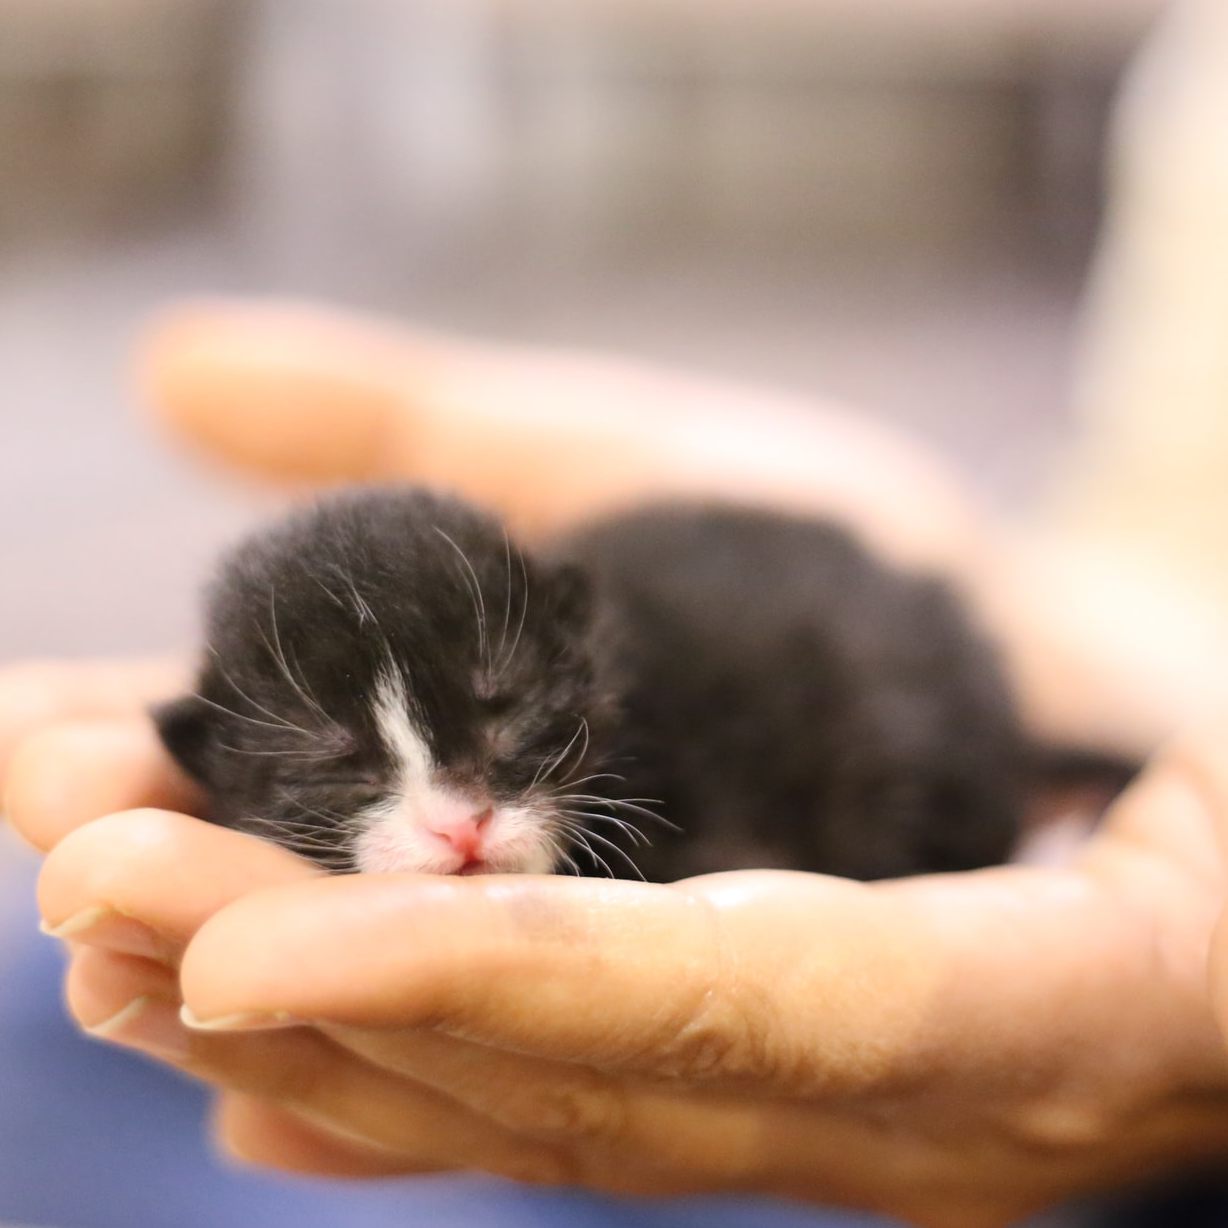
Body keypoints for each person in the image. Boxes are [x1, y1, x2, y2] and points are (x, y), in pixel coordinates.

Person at [5, 299, 1228, 1228]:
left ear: (577, 642)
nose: (455, 820)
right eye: (340, 768)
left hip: (925, 734)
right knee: (51, 1015)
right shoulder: (330, 728)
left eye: (501, 725)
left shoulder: (687, 753)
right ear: (214, 758)